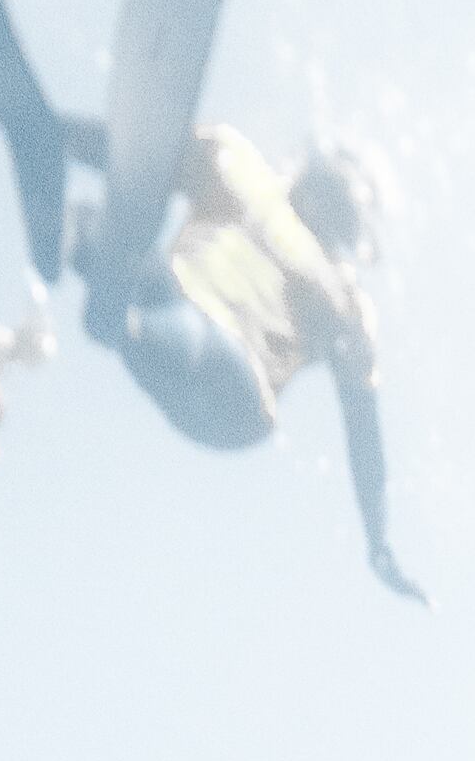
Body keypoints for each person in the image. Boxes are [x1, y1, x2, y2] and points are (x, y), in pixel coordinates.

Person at [106, 124, 420, 601]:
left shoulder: (345, 300)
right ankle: (106, 286)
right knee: (134, 270)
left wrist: (379, 539)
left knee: (161, 312)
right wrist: (28, 120)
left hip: (236, 394)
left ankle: (117, 312)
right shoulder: (236, 162)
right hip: (167, 307)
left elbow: (364, 435)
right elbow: (126, 144)